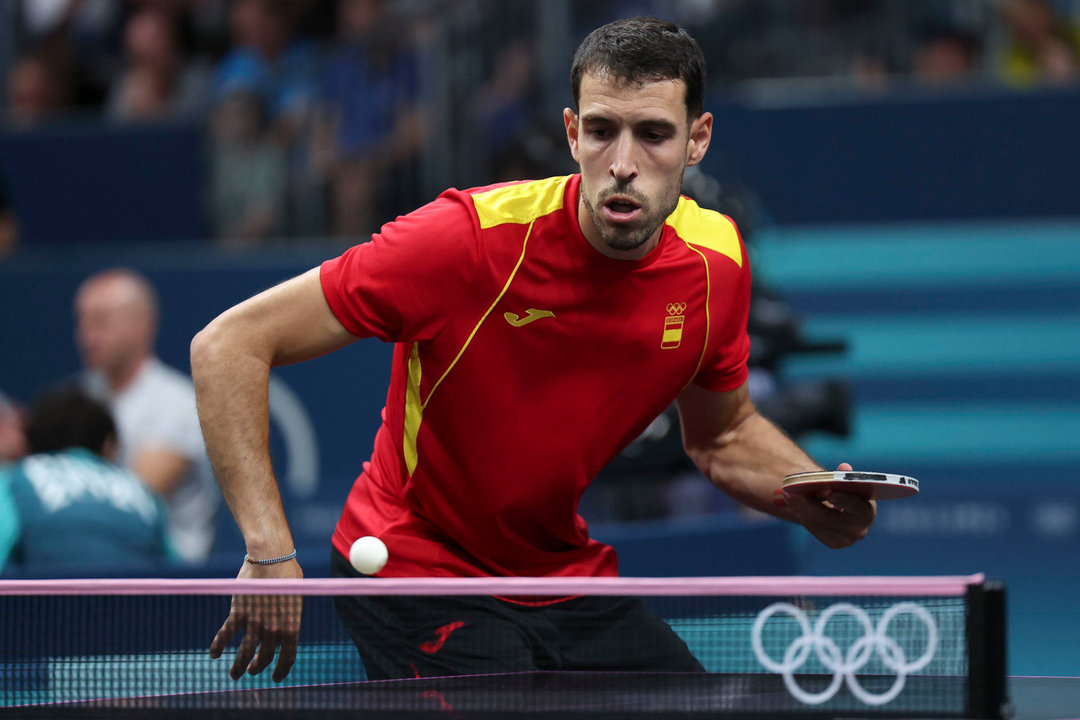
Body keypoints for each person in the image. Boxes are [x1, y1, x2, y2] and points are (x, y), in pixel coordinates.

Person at [191, 17, 876, 683]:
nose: (625, 164)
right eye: (603, 131)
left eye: (654, 135)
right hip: (414, 566)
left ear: (697, 141)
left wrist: (801, 487)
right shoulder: (467, 241)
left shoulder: (715, 263)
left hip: (556, 571)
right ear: (573, 133)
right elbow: (229, 345)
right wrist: (268, 550)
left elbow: (723, 436)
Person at [76, 268, 218, 563]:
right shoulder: (78, 397)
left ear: (142, 325)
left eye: (101, 321)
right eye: (82, 321)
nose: (88, 335)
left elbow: (130, 503)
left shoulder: (177, 404)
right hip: (90, 569)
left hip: (167, 581)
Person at [0, 386, 174, 572]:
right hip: (135, 601)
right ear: (108, 445)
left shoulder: (13, 480)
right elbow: (175, 576)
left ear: (30, 442)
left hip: (46, 600)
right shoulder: (142, 491)